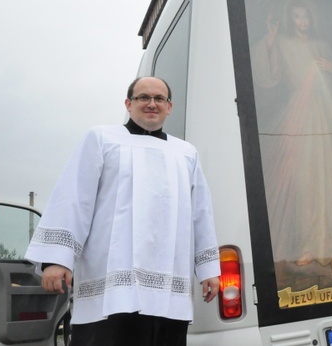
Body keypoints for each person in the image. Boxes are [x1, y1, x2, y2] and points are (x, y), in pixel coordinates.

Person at [25, 76, 221, 346]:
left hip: (168, 278)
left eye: (159, 99)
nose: (151, 104)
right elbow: (74, 197)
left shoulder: (185, 152)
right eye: (143, 98)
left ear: (169, 106)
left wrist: (209, 268)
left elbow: (201, 212)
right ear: (128, 104)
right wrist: (56, 260)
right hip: (111, 279)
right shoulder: (102, 139)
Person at [251, 0, 332, 277]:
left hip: (325, 115)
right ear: (290, 19)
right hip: (300, 115)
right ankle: (307, 245)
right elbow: (267, 74)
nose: (302, 22)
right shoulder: (282, 43)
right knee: (306, 183)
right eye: (296, 17)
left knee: (330, 182)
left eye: (306, 17)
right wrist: (270, 38)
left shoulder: (324, 47)